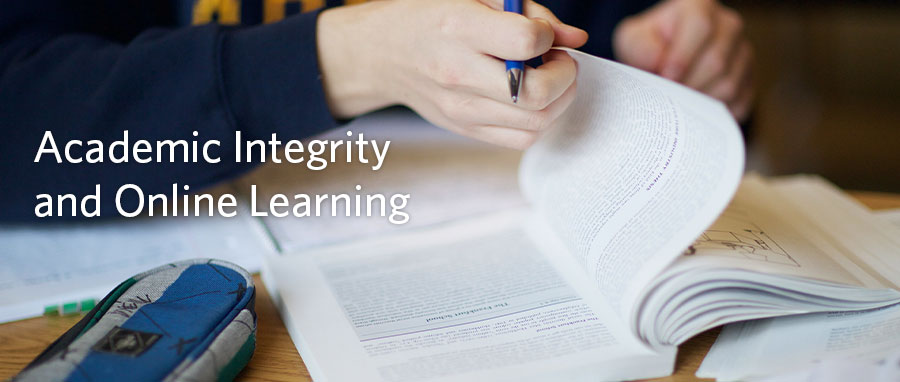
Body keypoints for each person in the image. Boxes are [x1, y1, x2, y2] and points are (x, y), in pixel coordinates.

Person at [0, 0, 753, 221]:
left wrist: (651, 44)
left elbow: (581, 21)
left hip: (496, 216)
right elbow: (23, 127)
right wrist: (344, 57)